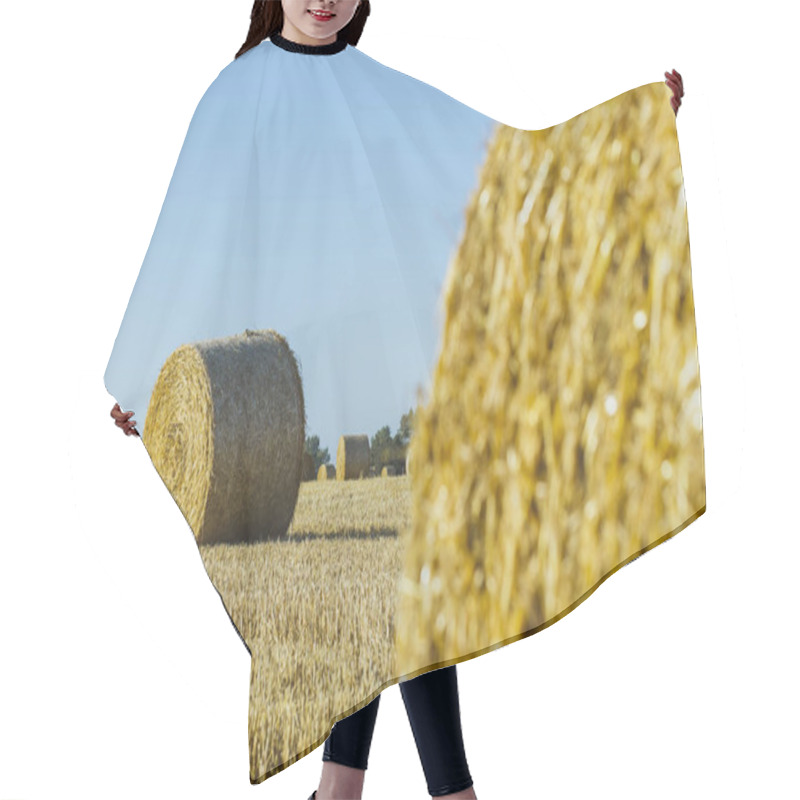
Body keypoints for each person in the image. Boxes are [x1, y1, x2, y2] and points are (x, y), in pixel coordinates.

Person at [109, 3, 685, 798]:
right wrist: (148, 378)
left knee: (399, 575)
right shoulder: (237, 95)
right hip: (299, 394)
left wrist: (632, 136)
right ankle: (424, 790)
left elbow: (496, 169)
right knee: (365, 580)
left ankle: (352, 789)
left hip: (388, 382)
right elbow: (195, 235)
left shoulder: (375, 88)